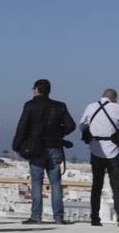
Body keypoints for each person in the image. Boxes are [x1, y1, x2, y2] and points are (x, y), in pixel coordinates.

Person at [11, 78, 74, 224]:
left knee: (37, 183)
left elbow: (22, 127)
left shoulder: (30, 105)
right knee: (56, 184)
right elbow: (71, 125)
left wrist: (16, 146)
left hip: (36, 149)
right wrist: (59, 134)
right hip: (55, 148)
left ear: (36, 90)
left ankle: (36, 216)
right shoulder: (60, 106)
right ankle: (58, 217)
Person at [80, 88, 119, 227]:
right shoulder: (117, 107)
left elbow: (81, 126)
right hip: (112, 152)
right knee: (116, 187)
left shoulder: (90, 106)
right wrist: (118, 125)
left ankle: (94, 218)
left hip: (95, 149)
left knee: (96, 186)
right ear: (114, 98)